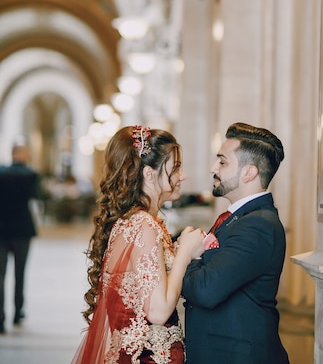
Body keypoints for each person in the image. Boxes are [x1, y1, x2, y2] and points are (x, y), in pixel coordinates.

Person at [71, 125, 205, 364]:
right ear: (149, 174)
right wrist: (184, 252)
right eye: (175, 168)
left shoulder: (133, 222)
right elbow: (158, 311)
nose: (182, 176)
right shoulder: (144, 225)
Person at [182, 122, 290, 364]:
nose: (213, 168)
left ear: (248, 173)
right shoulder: (238, 218)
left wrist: (190, 256)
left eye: (222, 162)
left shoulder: (258, 225)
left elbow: (206, 290)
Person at [0, 143, 40, 334]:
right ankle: (17, 312)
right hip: (22, 230)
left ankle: (0, 317)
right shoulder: (30, 174)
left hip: (2, 229)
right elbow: (36, 195)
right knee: (19, 273)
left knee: (0, 276)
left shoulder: (1, 173)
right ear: (23, 154)